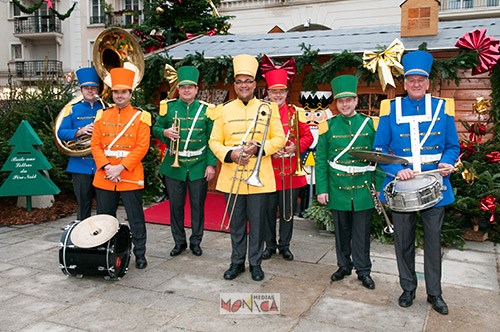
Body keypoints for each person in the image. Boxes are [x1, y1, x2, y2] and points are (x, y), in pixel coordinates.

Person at [373, 50, 460, 315]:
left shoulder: (442, 108)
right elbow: (380, 148)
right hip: (402, 188)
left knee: (433, 243)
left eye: (421, 79)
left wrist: (446, 162)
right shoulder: (391, 109)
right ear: (404, 82)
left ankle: (435, 293)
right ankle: (408, 288)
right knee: (403, 241)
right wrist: (395, 169)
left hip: (435, 186)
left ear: (428, 82)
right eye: (411, 79)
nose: (416, 84)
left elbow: (452, 146)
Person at [209, 54, 286, 281]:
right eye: (239, 81)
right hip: (232, 176)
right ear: (234, 85)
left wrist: (260, 148)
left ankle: (255, 263)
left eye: (248, 81)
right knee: (237, 224)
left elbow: (279, 139)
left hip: (259, 178)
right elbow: (214, 141)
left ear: (255, 85)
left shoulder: (268, 108)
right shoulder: (222, 110)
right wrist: (230, 154)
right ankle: (236, 262)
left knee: (259, 225)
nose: (244, 85)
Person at [315, 75, 382, 290]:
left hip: (363, 187)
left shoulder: (371, 124)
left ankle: (364, 271)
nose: (345, 104)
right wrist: (322, 189)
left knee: (361, 233)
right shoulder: (328, 127)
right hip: (338, 188)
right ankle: (343, 266)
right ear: (336, 103)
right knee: (341, 231)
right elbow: (321, 161)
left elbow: (379, 159)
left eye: (349, 100)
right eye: (341, 101)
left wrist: (379, 188)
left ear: (356, 100)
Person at [152, 66, 217, 257]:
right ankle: (179, 242)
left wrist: (211, 164)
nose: (187, 90)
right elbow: (156, 128)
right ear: (178, 89)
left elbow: (212, 139)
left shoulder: (207, 110)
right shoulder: (168, 107)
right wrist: (164, 132)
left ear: (197, 89)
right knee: (175, 207)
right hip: (174, 166)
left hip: (198, 165)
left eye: (190, 87)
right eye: (183, 87)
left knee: (198, 206)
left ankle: (196, 241)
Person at [90, 67, 151, 270]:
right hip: (106, 175)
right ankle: (106, 252)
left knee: (135, 218)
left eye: (124, 92)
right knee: (105, 218)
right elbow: (95, 144)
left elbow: (142, 147)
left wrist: (120, 168)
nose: (119, 96)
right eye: (116, 92)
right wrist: (108, 167)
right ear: (112, 93)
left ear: (130, 93)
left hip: (130, 175)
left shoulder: (141, 116)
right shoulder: (101, 115)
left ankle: (140, 254)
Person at [261, 64, 313, 261]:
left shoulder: (295, 112)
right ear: (268, 92)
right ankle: (269, 245)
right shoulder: (262, 112)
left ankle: (285, 246)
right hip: (268, 171)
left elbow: (308, 137)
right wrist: (268, 151)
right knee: (267, 212)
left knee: (287, 212)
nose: (278, 95)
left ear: (286, 92)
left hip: (290, 171)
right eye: (274, 92)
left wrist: (295, 147)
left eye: (281, 91)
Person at [57, 67, 103, 221]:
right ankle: (82, 240)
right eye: (87, 88)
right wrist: (79, 132)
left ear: (98, 89)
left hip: (101, 164)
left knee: (104, 206)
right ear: (81, 90)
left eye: (93, 88)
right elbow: (61, 132)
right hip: (79, 166)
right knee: (83, 205)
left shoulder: (106, 108)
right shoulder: (72, 109)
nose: (90, 91)